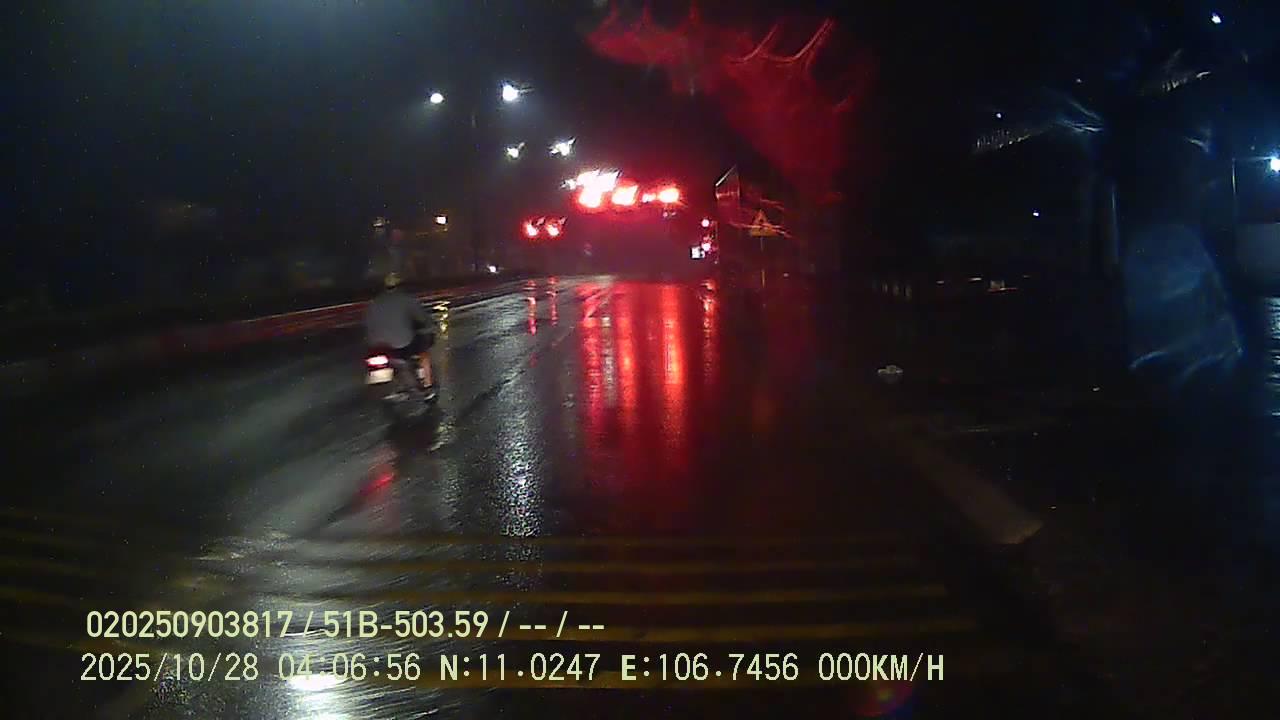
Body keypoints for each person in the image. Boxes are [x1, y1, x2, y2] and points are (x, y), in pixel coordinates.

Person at [365, 272, 436, 399]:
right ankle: (428, 387)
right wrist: (429, 326)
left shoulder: (375, 301)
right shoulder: (406, 298)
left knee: (395, 359)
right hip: (401, 343)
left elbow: (368, 322)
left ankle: (399, 386)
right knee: (424, 354)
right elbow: (422, 317)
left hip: (376, 344)